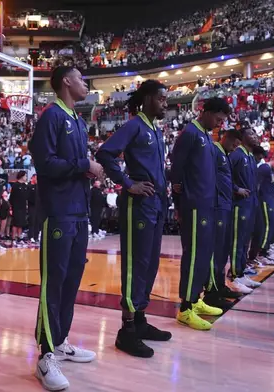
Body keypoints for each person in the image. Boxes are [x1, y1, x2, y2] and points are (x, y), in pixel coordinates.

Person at [29, 65, 103, 391]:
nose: (85, 83)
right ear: (65, 82)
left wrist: (84, 171)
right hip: (58, 212)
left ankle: (60, 341)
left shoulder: (78, 120)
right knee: (54, 282)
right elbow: (43, 163)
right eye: (80, 78)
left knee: (71, 279)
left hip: (79, 211)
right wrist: (83, 165)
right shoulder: (52, 116)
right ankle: (45, 356)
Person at [96, 80, 172, 358]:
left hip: (156, 204)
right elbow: (104, 153)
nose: (166, 103)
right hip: (138, 205)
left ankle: (139, 321)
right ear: (149, 99)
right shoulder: (134, 125)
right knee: (135, 265)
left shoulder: (155, 129)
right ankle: (126, 331)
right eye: (162, 98)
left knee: (150, 264)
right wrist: (127, 183)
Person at [170, 97, 230, 330]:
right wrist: (179, 204)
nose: (219, 124)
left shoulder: (206, 135)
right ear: (205, 112)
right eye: (217, 119)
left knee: (204, 254)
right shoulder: (190, 133)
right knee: (194, 255)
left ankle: (196, 299)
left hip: (207, 205)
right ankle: (185, 308)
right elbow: (176, 171)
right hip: (194, 205)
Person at [203, 129, 243, 309]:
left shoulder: (225, 154)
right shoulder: (214, 150)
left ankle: (219, 286)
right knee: (214, 253)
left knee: (223, 252)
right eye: (234, 143)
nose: (236, 147)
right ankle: (211, 293)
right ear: (226, 137)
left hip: (226, 205)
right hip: (217, 206)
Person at [227, 127, 261, 292]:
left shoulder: (250, 156)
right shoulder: (237, 155)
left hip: (250, 203)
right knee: (237, 241)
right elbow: (224, 175)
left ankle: (241, 272)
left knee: (245, 241)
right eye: (251, 134)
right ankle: (233, 276)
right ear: (243, 137)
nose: (255, 136)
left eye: (255, 134)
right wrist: (236, 189)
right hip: (239, 204)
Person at [249, 147, 274, 265]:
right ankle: (262, 252)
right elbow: (257, 185)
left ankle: (265, 249)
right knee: (267, 226)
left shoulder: (270, 170)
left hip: (269, 201)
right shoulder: (264, 168)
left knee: (271, 225)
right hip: (264, 201)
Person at [9, 170, 28, 247]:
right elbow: (11, 198)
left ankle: (19, 238)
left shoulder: (25, 186)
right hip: (16, 207)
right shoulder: (15, 186)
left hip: (23, 207)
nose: (26, 177)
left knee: (21, 223)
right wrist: (12, 206)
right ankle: (13, 239)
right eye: (25, 176)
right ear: (22, 176)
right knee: (15, 223)